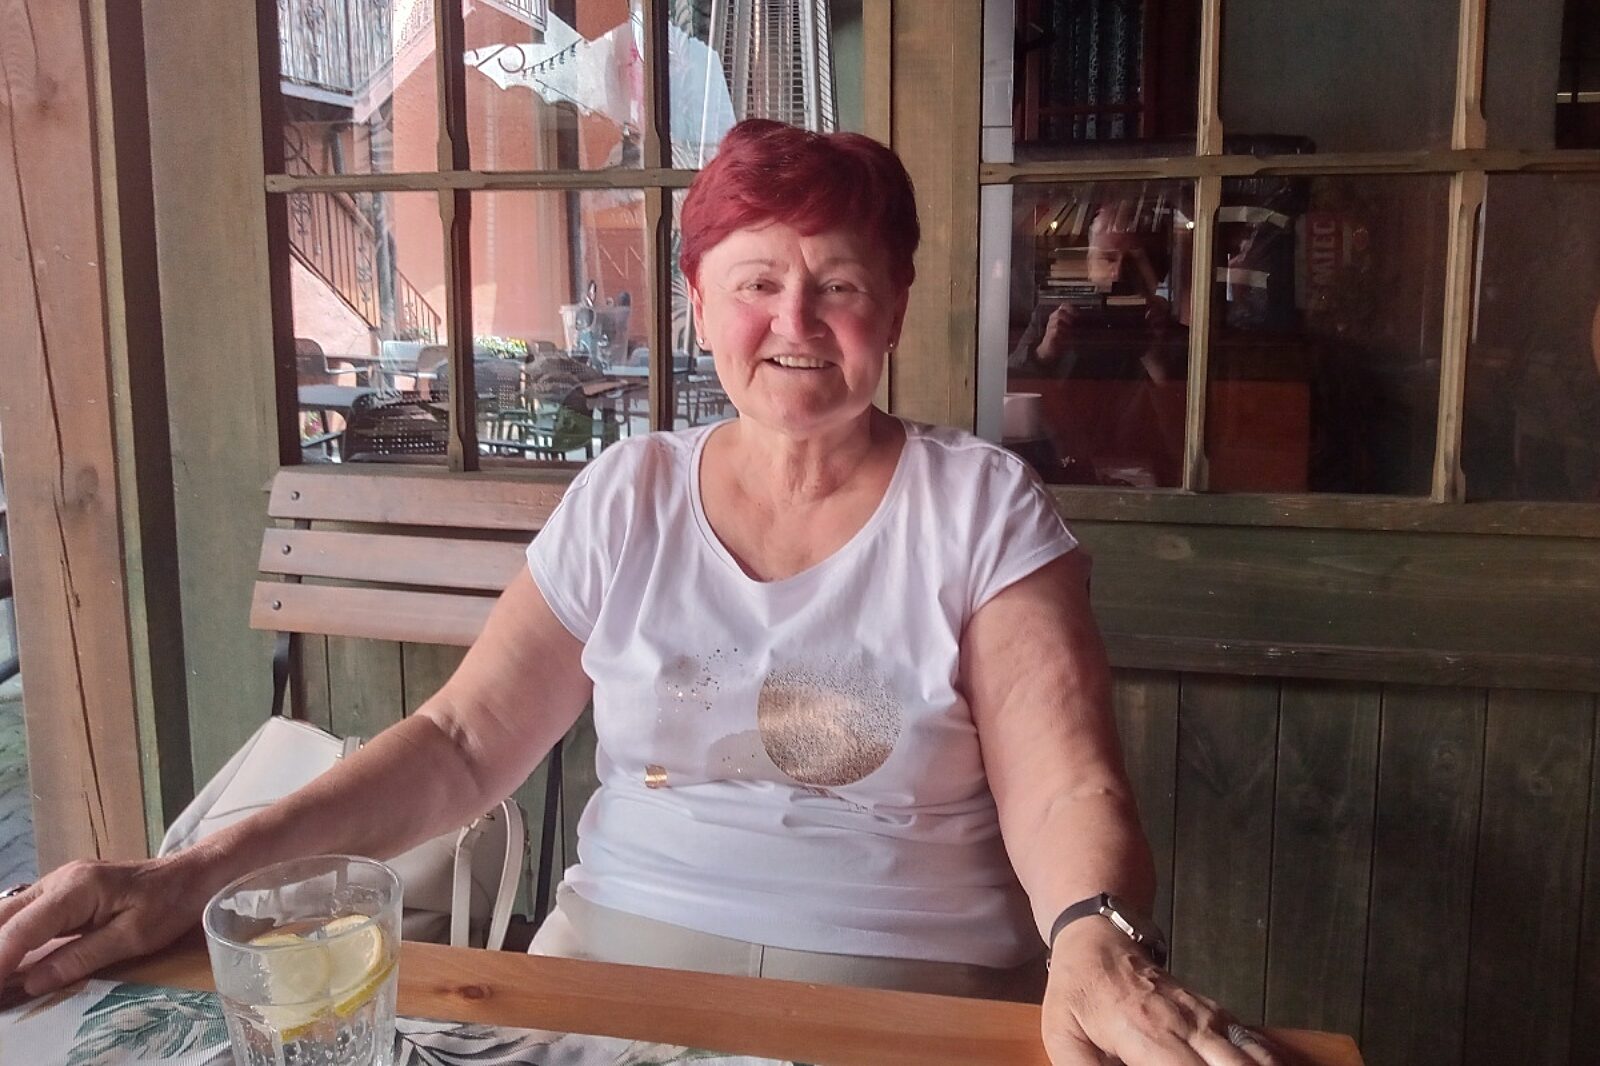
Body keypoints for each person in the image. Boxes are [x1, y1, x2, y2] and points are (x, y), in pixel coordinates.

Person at [0, 120, 1279, 1066]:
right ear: (699, 302)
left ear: (892, 305)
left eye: (838, 284)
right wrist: (186, 877)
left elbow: (1064, 786)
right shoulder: (629, 492)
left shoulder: (980, 504)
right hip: (612, 971)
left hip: (903, 989)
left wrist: (1094, 933)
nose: (796, 321)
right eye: (757, 283)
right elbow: (460, 743)